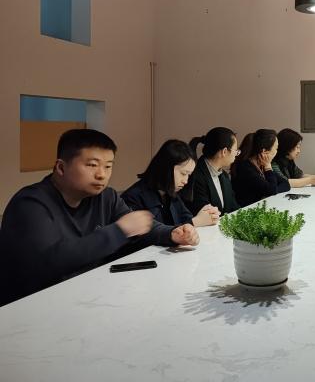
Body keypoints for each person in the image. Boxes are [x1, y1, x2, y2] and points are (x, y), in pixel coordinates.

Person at [0, 129, 199, 306]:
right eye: (92, 165)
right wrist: (119, 231)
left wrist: (172, 233)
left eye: (108, 166)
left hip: (86, 297)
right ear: (61, 168)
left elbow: (141, 225)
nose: (102, 175)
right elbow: (51, 262)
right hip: (30, 308)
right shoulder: (30, 204)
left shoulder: (106, 197)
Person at [122, 139, 220, 227]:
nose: (186, 181)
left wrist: (205, 214)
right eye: (183, 173)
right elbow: (153, 234)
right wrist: (195, 222)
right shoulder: (133, 198)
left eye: (188, 175)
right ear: (166, 168)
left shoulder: (171, 193)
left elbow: (186, 218)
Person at [185, 127, 240, 215]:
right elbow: (205, 214)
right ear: (224, 151)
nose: (237, 154)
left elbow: (233, 207)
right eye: (236, 150)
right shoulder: (196, 175)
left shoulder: (224, 176)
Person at [231, 129, 290, 207]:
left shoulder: (261, 164)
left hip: (259, 207)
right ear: (264, 151)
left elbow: (286, 184)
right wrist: (268, 168)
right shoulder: (245, 167)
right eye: (276, 148)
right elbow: (271, 190)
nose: (277, 151)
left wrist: (275, 189)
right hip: (245, 210)